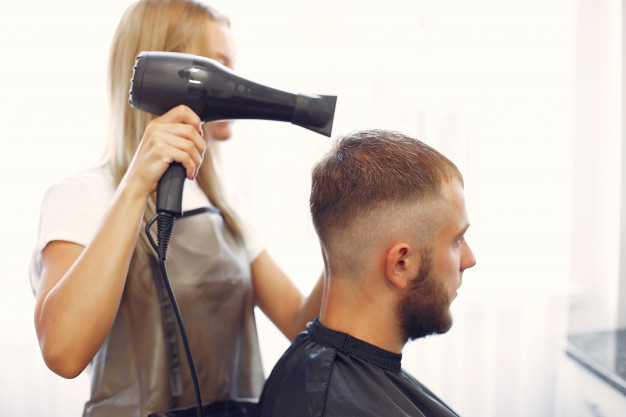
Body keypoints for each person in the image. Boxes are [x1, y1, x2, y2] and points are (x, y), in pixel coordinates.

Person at [28, 1, 323, 416]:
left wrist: (347, 233)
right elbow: (63, 351)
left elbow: (298, 322)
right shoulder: (84, 196)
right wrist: (135, 188)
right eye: (221, 65)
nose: (238, 82)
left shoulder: (226, 206)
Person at [257, 129, 477, 417]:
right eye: (456, 241)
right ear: (401, 264)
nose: (469, 259)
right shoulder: (335, 406)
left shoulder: (310, 370)